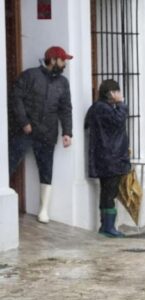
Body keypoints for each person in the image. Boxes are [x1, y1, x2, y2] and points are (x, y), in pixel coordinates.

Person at [8, 46, 73, 223]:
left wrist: (67, 132)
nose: (65, 64)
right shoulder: (30, 75)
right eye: (62, 60)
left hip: (48, 132)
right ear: (53, 59)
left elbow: (66, 108)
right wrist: (24, 122)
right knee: (9, 162)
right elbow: (16, 98)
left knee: (46, 170)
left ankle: (43, 210)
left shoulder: (63, 83)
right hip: (24, 131)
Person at [85, 79, 131, 238]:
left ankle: (106, 225)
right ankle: (108, 227)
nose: (120, 94)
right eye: (118, 92)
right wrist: (121, 104)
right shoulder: (103, 108)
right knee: (109, 193)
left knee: (107, 192)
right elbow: (118, 121)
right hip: (111, 158)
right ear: (111, 93)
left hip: (107, 157)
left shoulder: (98, 108)